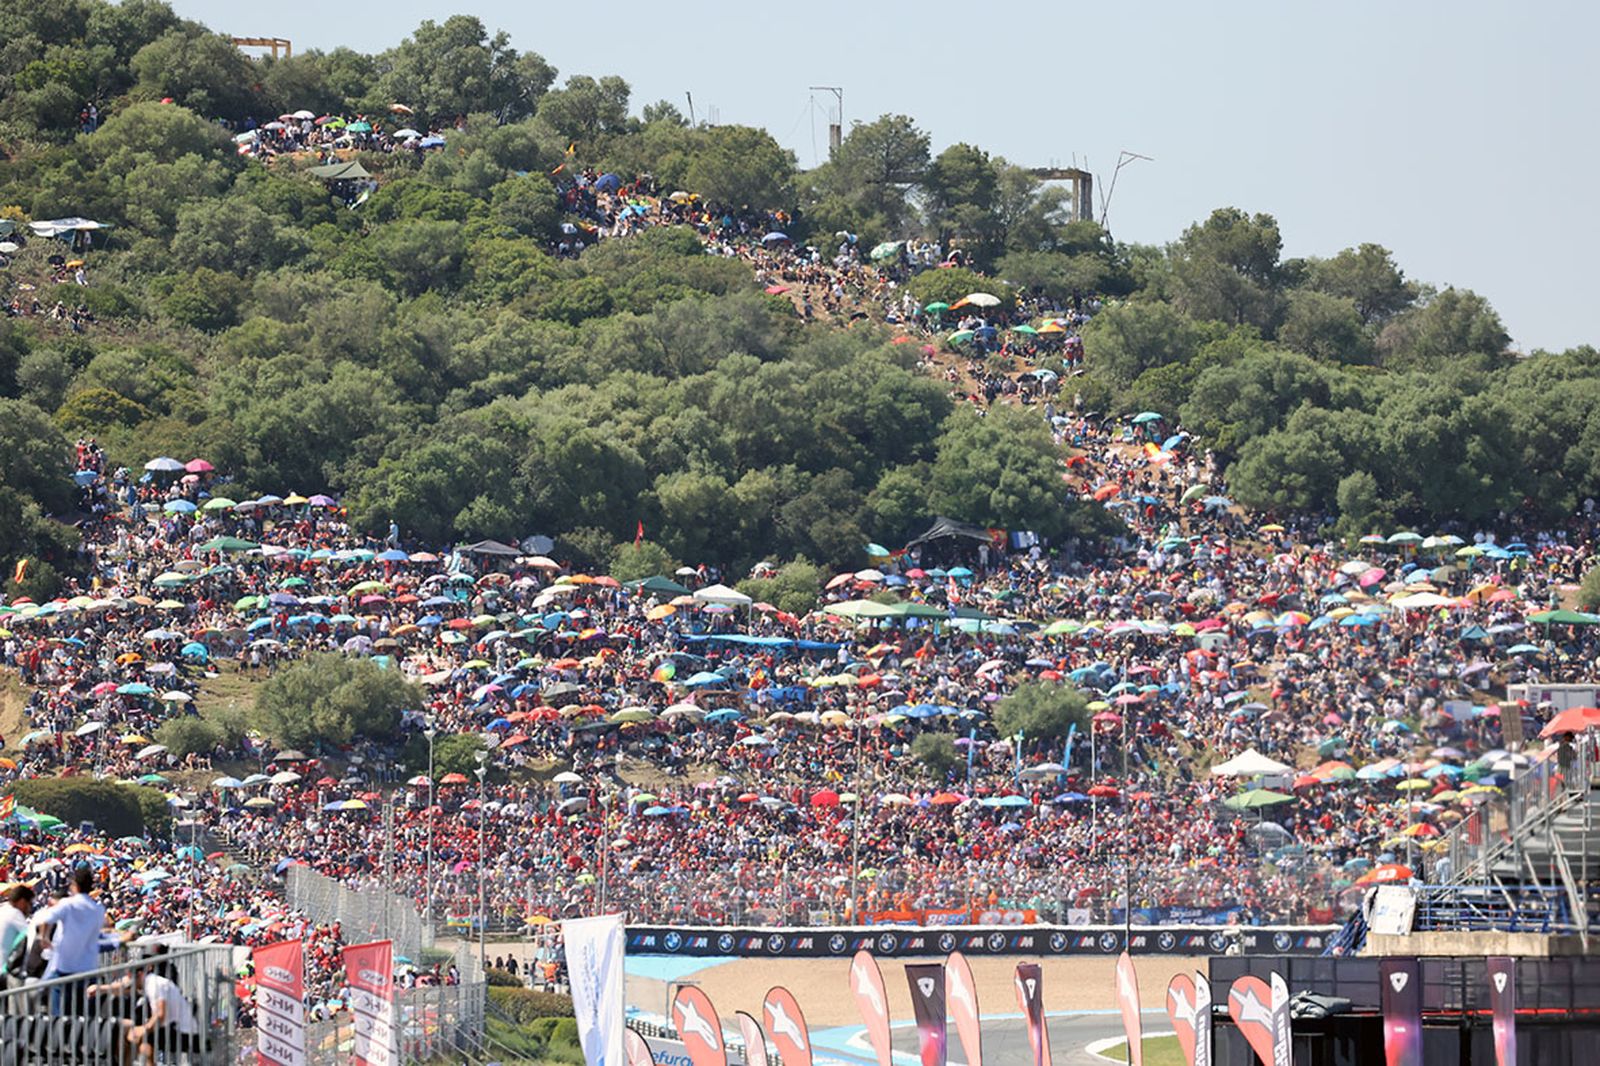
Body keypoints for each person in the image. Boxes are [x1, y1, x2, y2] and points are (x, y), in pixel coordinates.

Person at [34, 864, 107, 1013]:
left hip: (65, 968)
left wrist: (44, 937)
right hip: (88, 968)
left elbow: (46, 919)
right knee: (84, 1018)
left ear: (74, 886)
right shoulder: (98, 910)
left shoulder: (67, 904)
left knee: (60, 1018)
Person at [0, 883, 32, 987]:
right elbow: (30, 936)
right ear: (22, 902)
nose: (30, 909)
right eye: (30, 904)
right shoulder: (15, 914)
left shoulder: (3, 910)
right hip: (3, 971)